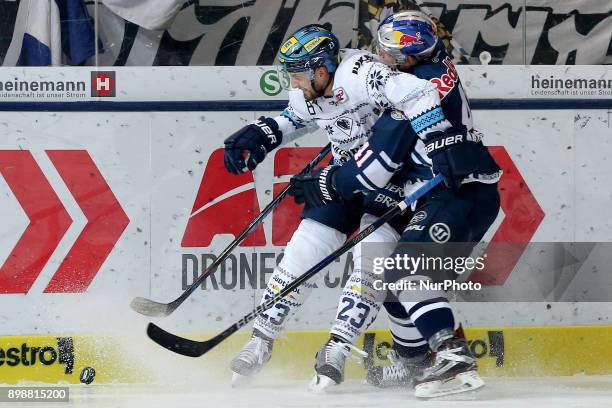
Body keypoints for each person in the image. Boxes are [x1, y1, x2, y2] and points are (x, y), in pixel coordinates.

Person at [290, 11, 502, 398]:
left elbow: (370, 171)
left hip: (459, 193)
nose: (380, 58)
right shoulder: (429, 70)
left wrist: (325, 181)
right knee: (393, 281)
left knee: (405, 271)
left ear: (409, 58)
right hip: (442, 189)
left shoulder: (414, 93)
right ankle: (415, 365)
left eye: (387, 52)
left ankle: (454, 360)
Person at [223, 24, 430, 385]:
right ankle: (260, 339)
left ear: (322, 69)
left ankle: (339, 344)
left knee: (371, 256)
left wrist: (431, 139)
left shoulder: (362, 73)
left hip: (398, 178)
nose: (295, 82)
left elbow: (419, 94)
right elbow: (297, 117)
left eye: (299, 74)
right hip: (348, 176)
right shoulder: (309, 88)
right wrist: (263, 132)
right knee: (306, 244)